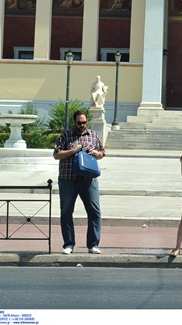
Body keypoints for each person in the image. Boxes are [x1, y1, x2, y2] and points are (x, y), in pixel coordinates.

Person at [53, 109, 106, 255]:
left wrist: (96, 153)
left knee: (95, 212)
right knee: (66, 212)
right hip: (68, 180)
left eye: (84, 122)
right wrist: (74, 150)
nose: (81, 125)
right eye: (79, 123)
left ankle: (93, 244)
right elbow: (56, 155)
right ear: (74, 122)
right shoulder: (65, 136)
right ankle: (68, 244)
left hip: (89, 180)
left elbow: (102, 153)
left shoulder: (93, 135)